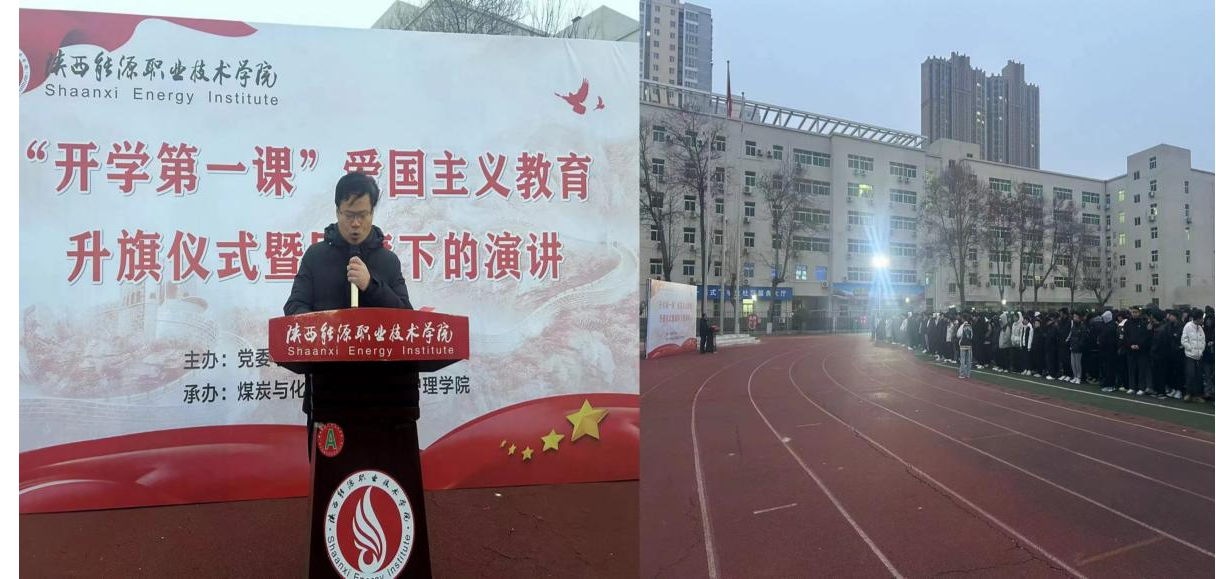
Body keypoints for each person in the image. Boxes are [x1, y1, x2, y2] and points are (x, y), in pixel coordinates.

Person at [283, 172, 414, 459]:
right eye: (349, 215)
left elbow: (407, 319)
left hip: (384, 396)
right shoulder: (315, 257)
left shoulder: (388, 262)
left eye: (363, 215)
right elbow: (294, 308)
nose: (356, 223)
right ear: (337, 211)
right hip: (328, 394)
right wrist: (325, 327)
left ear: (373, 212)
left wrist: (371, 285)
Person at [1182, 307, 1206, 402]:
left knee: (1199, 376)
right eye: (1201, 318)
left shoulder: (1200, 328)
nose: (1203, 320)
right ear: (1198, 318)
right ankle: (1189, 393)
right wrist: (1190, 349)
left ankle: (1197, 395)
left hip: (1199, 356)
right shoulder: (1188, 326)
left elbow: (1203, 340)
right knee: (1190, 375)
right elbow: (1184, 340)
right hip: (1190, 356)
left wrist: (1201, 350)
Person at [1098, 310, 1119, 392]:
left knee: (1110, 369)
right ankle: (1107, 383)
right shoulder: (1107, 325)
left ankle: (1111, 385)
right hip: (1105, 350)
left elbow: (1111, 340)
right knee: (1106, 368)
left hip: (1110, 351)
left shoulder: (1112, 326)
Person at [1068, 310, 1087, 385]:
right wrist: (1071, 345)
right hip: (1072, 347)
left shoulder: (1082, 327)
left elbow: (1082, 338)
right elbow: (1071, 337)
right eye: (1074, 317)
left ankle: (1079, 377)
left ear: (1079, 318)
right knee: (1073, 363)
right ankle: (1075, 376)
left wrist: (1078, 346)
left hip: (1078, 348)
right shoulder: (1073, 327)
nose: (1074, 318)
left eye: (1075, 317)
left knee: (1078, 363)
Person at [958, 314, 974, 379]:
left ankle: (962, 374)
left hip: (963, 344)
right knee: (968, 360)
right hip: (969, 344)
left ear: (963, 319)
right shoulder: (970, 326)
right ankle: (968, 374)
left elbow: (958, 334)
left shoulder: (962, 326)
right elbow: (972, 335)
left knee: (962, 359)